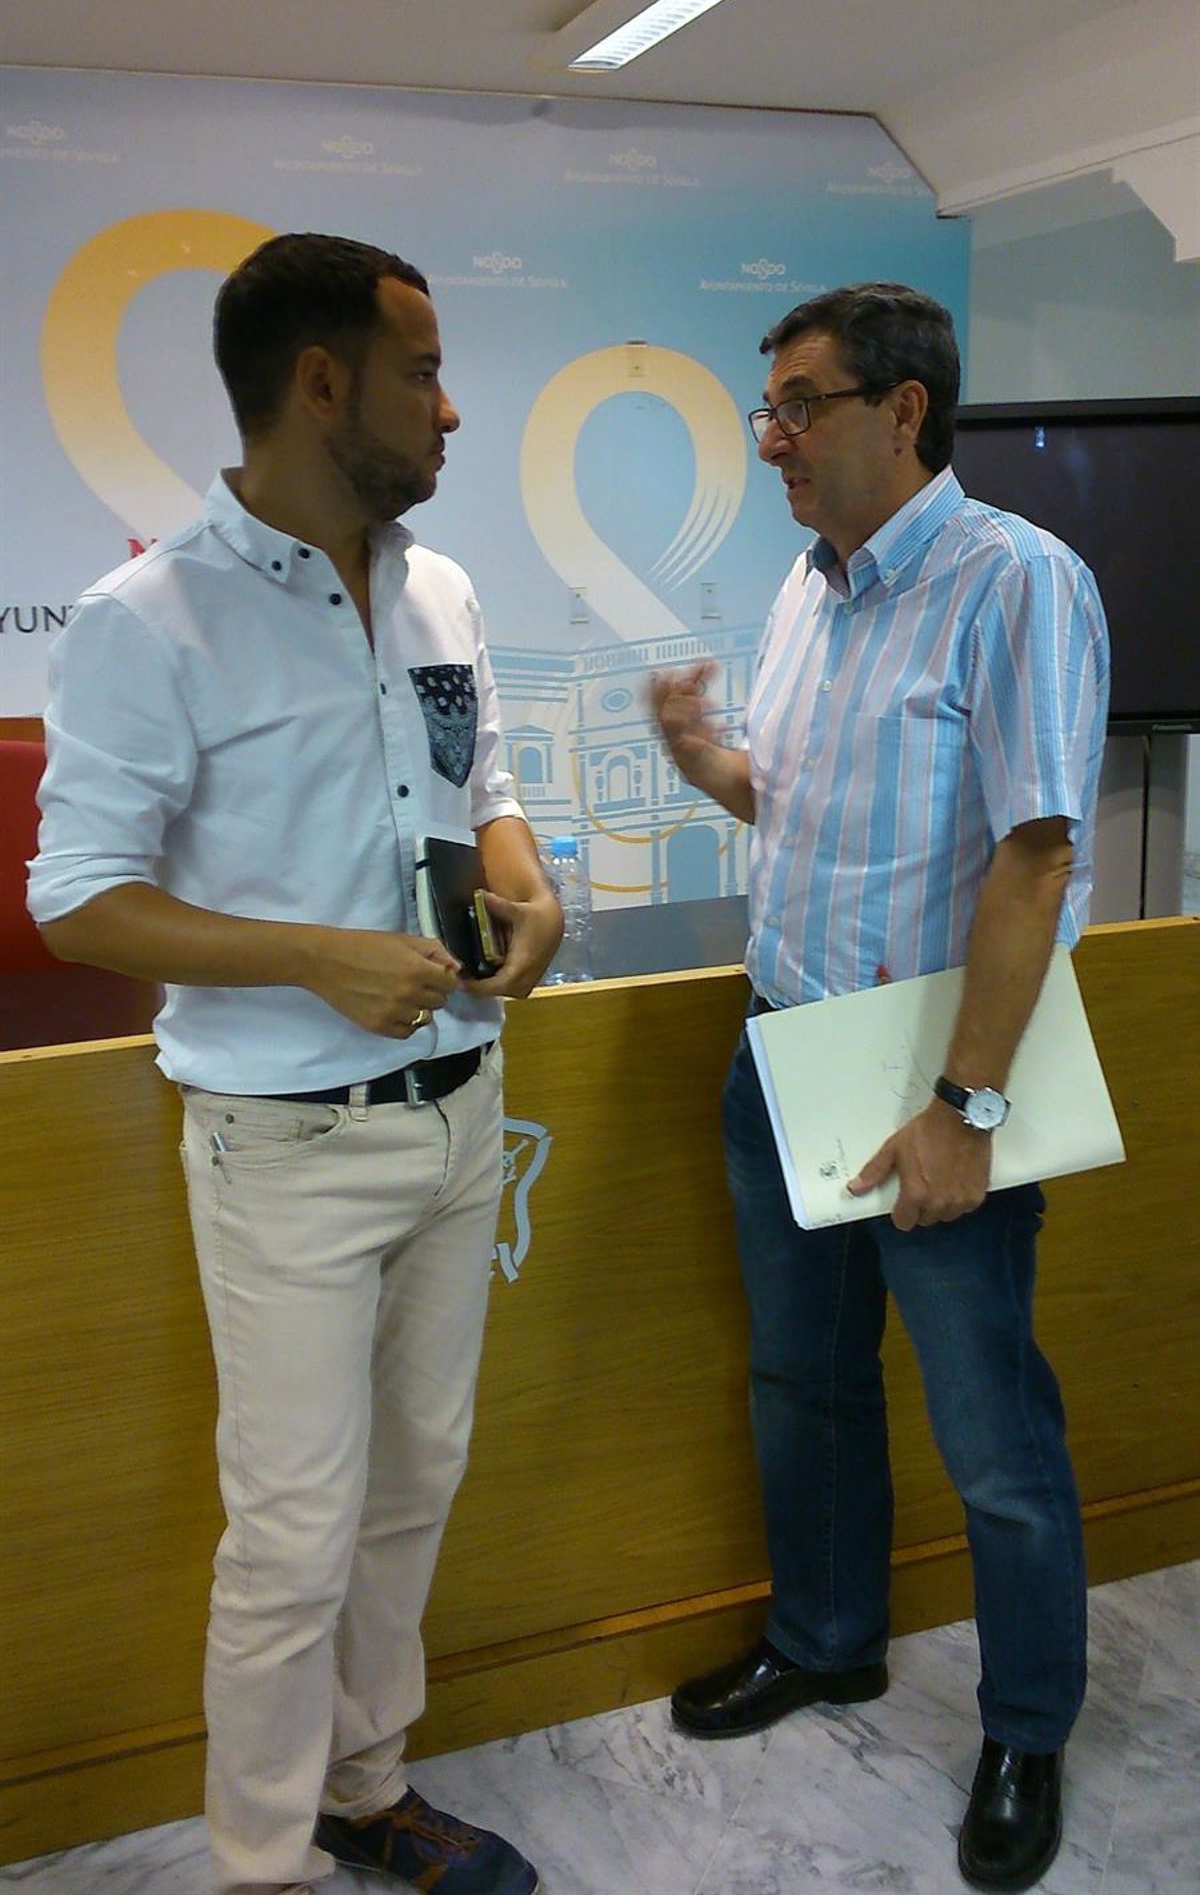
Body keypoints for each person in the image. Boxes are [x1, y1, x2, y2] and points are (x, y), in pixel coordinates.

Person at [28, 232, 563, 1895]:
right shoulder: (143, 620)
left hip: (462, 1113)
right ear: (321, 383)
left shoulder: (442, 587)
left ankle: (367, 1785)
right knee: (291, 1536)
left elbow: (481, 788)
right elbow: (76, 899)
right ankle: (261, 1861)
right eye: (425, 371)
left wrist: (532, 885)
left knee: (413, 1488)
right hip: (286, 1145)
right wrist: (316, 955)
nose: (451, 409)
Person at [649, 283, 1109, 1894]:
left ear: (903, 410)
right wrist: (705, 761)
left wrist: (966, 1109)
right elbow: (796, 801)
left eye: (800, 404)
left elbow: (1035, 859)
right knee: (806, 1378)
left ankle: (1027, 1727)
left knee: (993, 1434)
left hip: (932, 1078)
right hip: (788, 1049)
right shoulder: (808, 586)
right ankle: (828, 1637)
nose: (771, 439)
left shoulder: (1016, 581)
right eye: (766, 408)